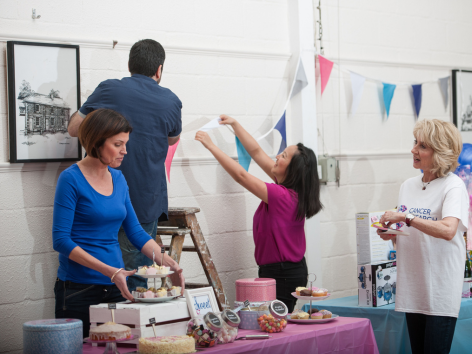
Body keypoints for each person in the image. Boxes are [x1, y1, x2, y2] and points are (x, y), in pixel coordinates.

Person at [53, 109, 185, 337]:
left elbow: (135, 231)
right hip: (78, 290)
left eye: (125, 143)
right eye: (118, 144)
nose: (125, 150)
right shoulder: (70, 178)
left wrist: (166, 262)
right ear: (96, 142)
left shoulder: (118, 178)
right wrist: (111, 271)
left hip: (117, 287)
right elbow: (61, 241)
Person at [67, 39, 182, 291]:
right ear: (159, 70)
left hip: (99, 197)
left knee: (109, 279)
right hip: (146, 198)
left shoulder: (109, 89)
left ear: (130, 65)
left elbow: (74, 128)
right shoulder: (171, 100)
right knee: (138, 281)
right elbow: (173, 138)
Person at [195, 115, 322, 312]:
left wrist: (211, 146)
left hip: (284, 273)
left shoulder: (282, 196)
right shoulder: (289, 189)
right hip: (279, 270)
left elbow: (241, 176)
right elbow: (255, 152)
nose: (277, 156)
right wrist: (235, 125)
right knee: (267, 320)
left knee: (272, 323)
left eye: (284, 156)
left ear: (293, 170)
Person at [377, 119, 469, 354]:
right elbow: (411, 232)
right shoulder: (408, 185)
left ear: (440, 153)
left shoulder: (454, 186)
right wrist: (391, 233)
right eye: (415, 143)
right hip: (413, 287)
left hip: (440, 289)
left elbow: (448, 230)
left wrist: (406, 218)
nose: (413, 150)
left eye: (422, 146)